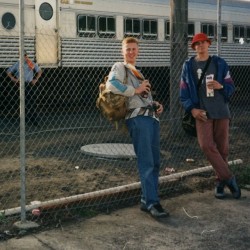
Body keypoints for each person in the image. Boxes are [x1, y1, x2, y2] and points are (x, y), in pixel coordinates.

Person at [106, 37, 169, 218]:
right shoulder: (120, 67)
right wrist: (136, 90)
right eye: (128, 49)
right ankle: (152, 203)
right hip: (137, 119)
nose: (131, 52)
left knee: (155, 162)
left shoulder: (137, 71)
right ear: (122, 51)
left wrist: (155, 103)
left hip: (151, 118)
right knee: (147, 162)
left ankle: (146, 199)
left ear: (138, 51)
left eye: (134, 49)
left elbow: (143, 96)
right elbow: (112, 85)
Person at [179, 33, 241, 199]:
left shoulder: (219, 63)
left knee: (223, 149)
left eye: (203, 42)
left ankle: (220, 183)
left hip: (221, 111)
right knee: (206, 145)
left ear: (208, 44)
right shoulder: (188, 65)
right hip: (202, 113)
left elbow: (230, 86)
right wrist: (192, 109)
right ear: (194, 47)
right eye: (197, 44)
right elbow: (183, 92)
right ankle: (229, 178)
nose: (200, 46)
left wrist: (221, 86)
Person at [7, 50, 42, 126]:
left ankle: (33, 120)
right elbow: (8, 71)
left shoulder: (30, 63)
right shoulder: (17, 64)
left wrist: (35, 79)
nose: (24, 57)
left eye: (25, 55)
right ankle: (24, 120)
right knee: (23, 102)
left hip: (29, 84)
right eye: (22, 55)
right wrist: (14, 79)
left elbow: (39, 71)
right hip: (21, 84)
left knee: (32, 102)